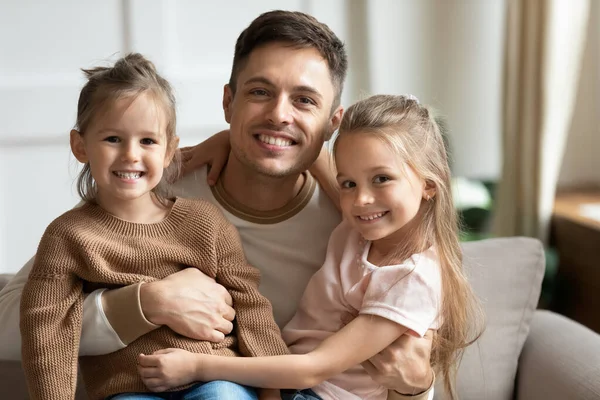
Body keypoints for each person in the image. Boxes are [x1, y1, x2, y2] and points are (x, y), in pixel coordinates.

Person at [0, 10, 435, 399]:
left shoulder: (358, 220)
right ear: (228, 101)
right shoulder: (154, 192)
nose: (279, 115)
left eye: (304, 100)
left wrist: (418, 387)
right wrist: (146, 303)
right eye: (260, 92)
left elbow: (404, 356)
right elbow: (9, 324)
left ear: (332, 123)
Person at [134, 95, 484, 400]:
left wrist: (196, 366)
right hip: (286, 384)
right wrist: (231, 138)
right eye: (348, 183)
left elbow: (315, 368)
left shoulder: (412, 280)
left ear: (428, 184)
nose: (361, 198)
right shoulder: (361, 228)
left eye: (382, 179)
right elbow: (315, 157)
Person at [19, 53, 288, 400]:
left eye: (147, 141)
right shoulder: (68, 235)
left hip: (215, 379)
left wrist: (272, 393)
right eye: (113, 139)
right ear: (80, 145)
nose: (131, 154)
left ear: (168, 150)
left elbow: (251, 307)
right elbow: (45, 329)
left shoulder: (204, 223)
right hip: (129, 389)